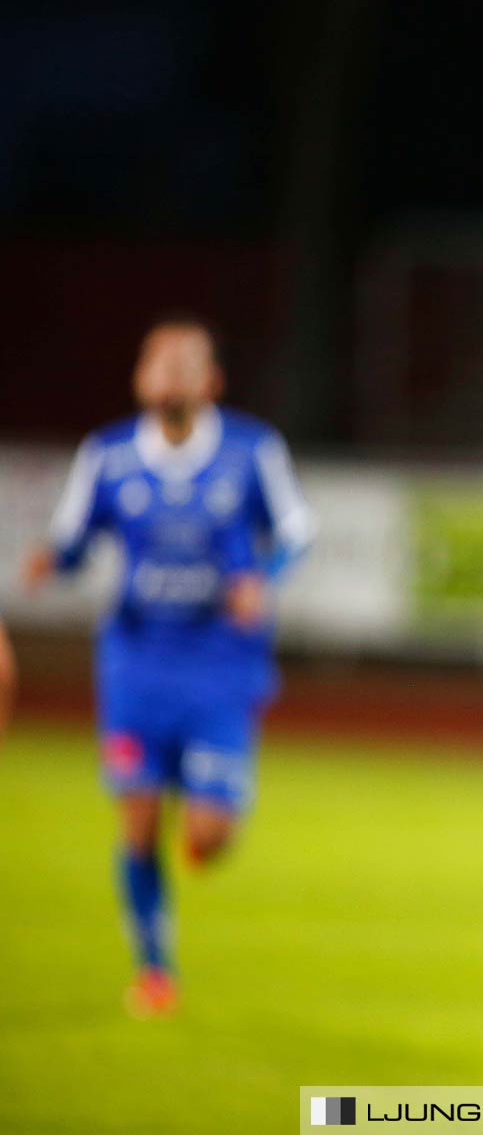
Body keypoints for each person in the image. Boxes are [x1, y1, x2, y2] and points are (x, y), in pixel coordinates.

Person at [21, 314, 314, 1016]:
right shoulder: (109, 454)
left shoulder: (250, 450)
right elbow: (73, 539)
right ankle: (154, 970)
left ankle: (198, 833)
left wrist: (262, 575)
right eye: (158, 361)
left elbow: (296, 532)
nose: (170, 373)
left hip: (219, 663)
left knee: (208, 838)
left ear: (210, 380)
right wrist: (49, 561)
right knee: (138, 819)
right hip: (136, 661)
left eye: (185, 362)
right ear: (140, 378)